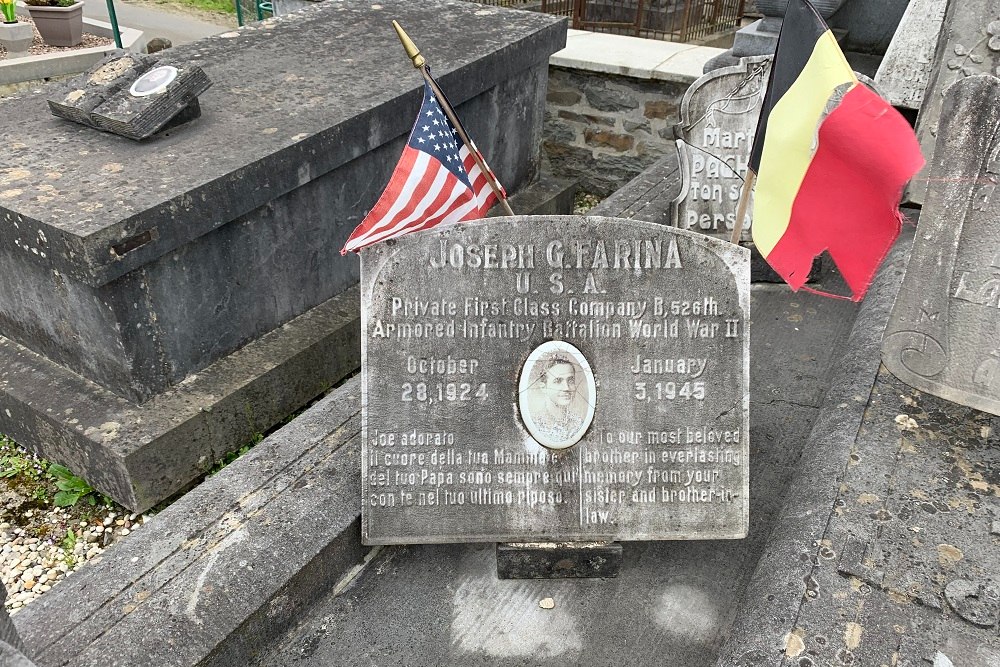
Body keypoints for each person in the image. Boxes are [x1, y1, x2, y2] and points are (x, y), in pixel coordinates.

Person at [528, 354, 586, 443]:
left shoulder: (578, 424)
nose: (566, 388)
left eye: (570, 380)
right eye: (558, 381)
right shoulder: (537, 424)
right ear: (544, 387)